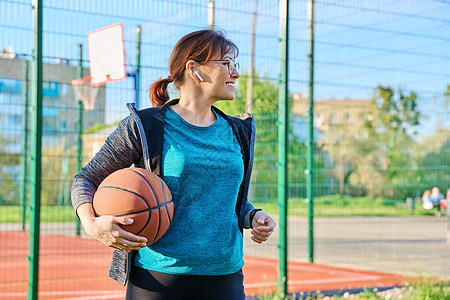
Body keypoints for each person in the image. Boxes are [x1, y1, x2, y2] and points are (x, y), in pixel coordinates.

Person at [71, 28, 276, 300]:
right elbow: (86, 179)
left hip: (225, 276)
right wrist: (91, 223)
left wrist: (252, 216)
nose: (235, 73)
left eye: (233, 65)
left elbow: (225, 198)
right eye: (226, 64)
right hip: (158, 279)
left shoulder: (238, 131)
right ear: (195, 69)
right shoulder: (145, 126)